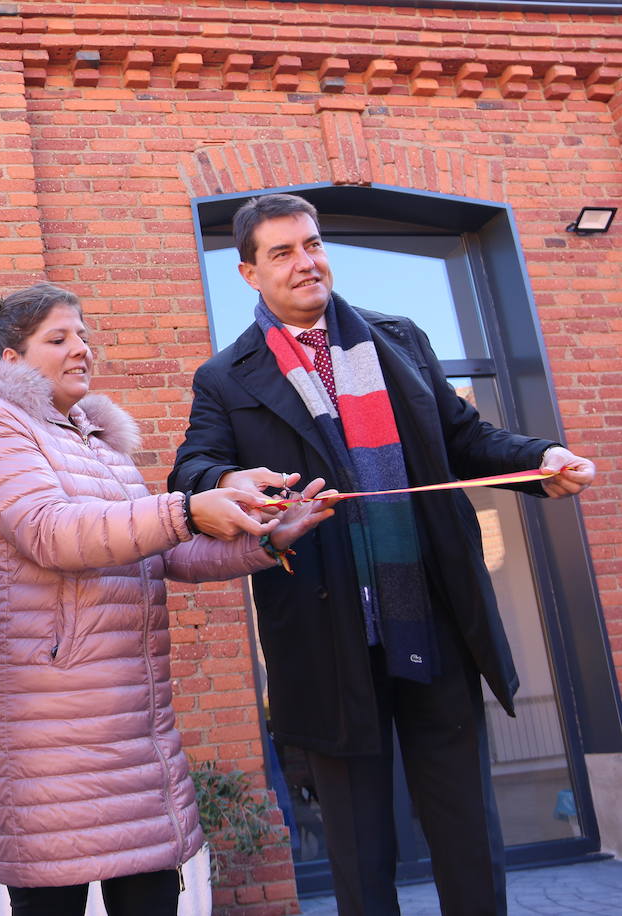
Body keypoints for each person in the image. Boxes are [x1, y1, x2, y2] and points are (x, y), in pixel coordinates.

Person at [167, 193, 596, 916]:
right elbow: (191, 472)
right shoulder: (225, 377)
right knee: (361, 855)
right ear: (249, 273)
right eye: (282, 252)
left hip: (430, 614)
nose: (306, 262)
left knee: (466, 830)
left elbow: (465, 438)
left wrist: (540, 459)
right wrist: (226, 480)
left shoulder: (398, 339)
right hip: (325, 637)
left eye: (311, 244)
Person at [0, 282, 335, 916]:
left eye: (84, 334)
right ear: (10, 360)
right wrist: (186, 508)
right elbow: (52, 531)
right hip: (47, 727)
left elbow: (163, 550)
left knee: (150, 896)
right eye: (58, 338)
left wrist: (262, 537)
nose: (81, 349)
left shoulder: (101, 445)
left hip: (133, 718)